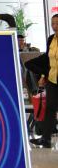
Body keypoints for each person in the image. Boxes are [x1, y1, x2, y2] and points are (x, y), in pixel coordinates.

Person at [26, 12, 58, 147]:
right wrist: (43, 76)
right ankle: (45, 139)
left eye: (57, 23)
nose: (54, 26)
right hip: (53, 80)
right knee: (50, 109)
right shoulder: (51, 39)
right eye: (53, 23)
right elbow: (47, 60)